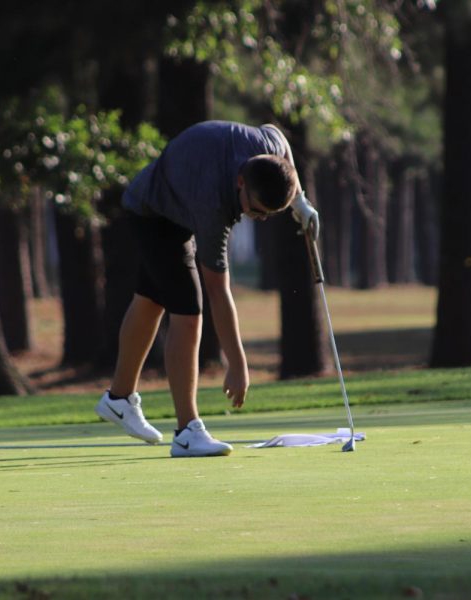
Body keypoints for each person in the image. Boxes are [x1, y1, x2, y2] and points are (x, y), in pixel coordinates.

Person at [95, 120, 319, 457]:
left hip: (171, 196)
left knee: (151, 299)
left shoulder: (268, 148)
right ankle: (187, 432)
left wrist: (299, 201)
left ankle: (118, 399)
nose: (257, 218)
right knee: (188, 311)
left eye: (270, 214)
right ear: (240, 182)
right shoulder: (214, 203)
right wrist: (238, 364)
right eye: (255, 210)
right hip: (153, 212)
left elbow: (280, 137)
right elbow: (219, 291)